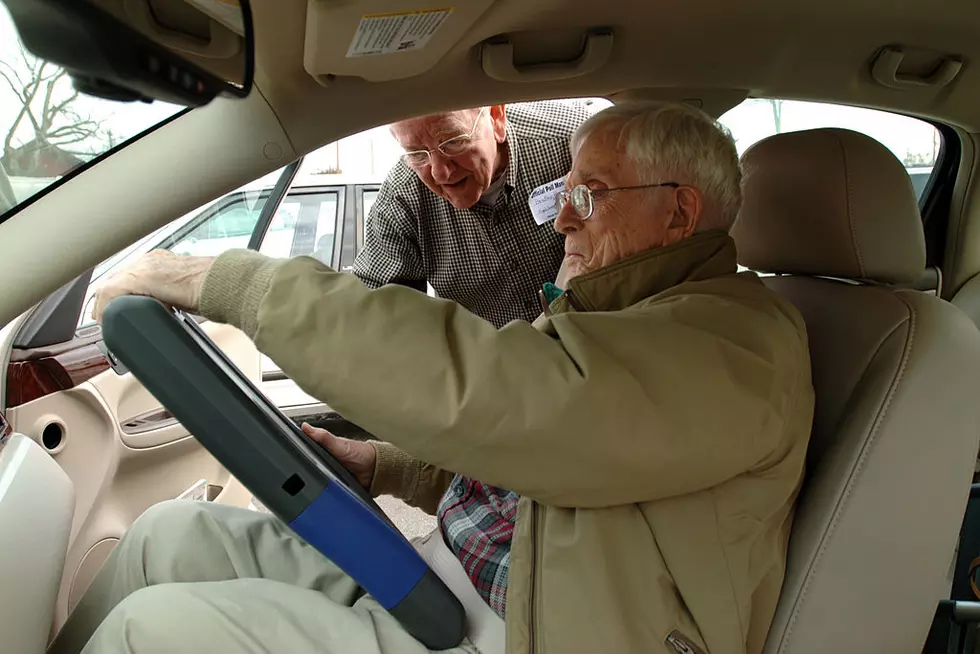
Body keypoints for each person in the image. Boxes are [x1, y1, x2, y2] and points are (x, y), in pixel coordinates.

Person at [59, 101, 814, 654]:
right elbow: (545, 453)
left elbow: (519, 402)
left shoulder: (734, 342)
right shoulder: (630, 318)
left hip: (538, 629)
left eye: (589, 195)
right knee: (167, 537)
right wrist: (388, 466)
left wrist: (236, 283)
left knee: (147, 634)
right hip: (462, 580)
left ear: (680, 214)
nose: (561, 221)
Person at [352, 101, 594, 327]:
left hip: (593, 342)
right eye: (417, 154)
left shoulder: (576, 144)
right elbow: (376, 312)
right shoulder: (402, 198)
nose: (441, 173)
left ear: (496, 118)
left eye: (452, 142)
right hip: (491, 363)